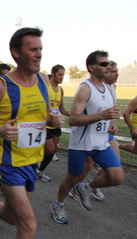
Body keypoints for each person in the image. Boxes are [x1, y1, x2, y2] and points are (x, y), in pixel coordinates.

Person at [0, 28, 64, 239]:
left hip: (31, 162)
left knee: (12, 216)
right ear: (16, 53)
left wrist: (51, 120)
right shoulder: (0, 86)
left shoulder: (43, 82)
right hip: (9, 163)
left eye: (40, 49)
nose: (39, 54)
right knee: (28, 224)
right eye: (33, 49)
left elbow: (43, 115)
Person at [51, 50, 125, 225]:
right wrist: (102, 116)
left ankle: (86, 188)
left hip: (101, 142)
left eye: (109, 64)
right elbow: (74, 119)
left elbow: (104, 116)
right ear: (92, 67)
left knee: (117, 177)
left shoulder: (108, 88)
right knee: (72, 179)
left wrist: (110, 125)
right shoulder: (85, 88)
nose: (108, 67)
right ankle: (58, 204)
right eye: (104, 64)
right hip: (81, 144)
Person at [36, 65, 70, 182]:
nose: (62, 77)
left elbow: (61, 108)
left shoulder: (60, 90)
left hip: (56, 124)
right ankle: (34, 168)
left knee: (53, 150)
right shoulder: (46, 86)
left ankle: (39, 170)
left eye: (63, 75)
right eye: (60, 74)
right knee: (49, 149)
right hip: (45, 123)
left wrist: (69, 113)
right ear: (53, 73)